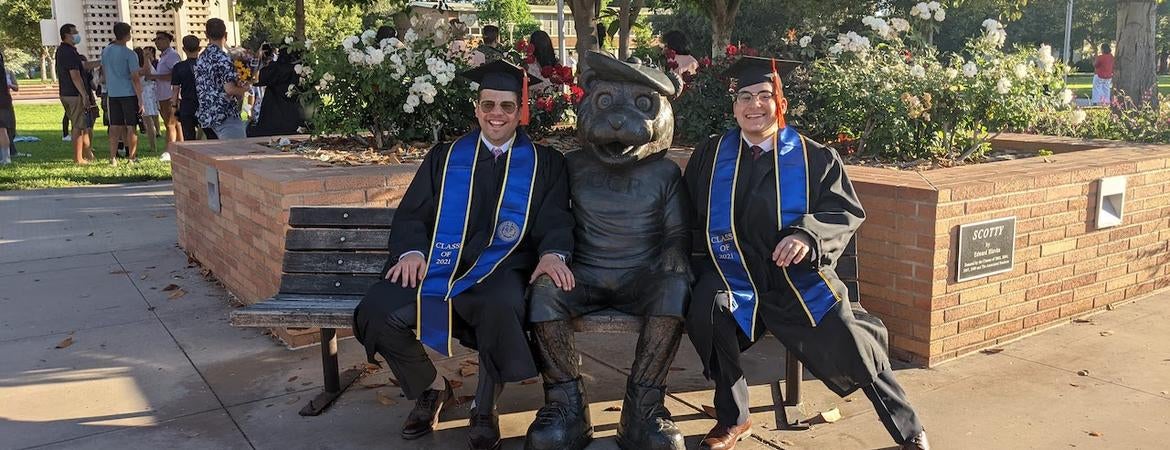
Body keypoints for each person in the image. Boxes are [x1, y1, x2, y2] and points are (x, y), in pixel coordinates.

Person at [683, 56, 930, 450]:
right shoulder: (711, 156)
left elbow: (844, 212)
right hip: (734, 272)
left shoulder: (814, 157)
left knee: (849, 335)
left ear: (780, 103)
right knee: (707, 308)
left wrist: (807, 237)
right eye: (745, 97)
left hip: (794, 277)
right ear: (734, 107)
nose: (754, 105)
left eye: (765, 96)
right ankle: (733, 417)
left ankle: (908, 428)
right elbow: (687, 214)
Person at [352, 60, 573, 450]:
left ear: (521, 111)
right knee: (379, 310)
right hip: (439, 263)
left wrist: (554, 253)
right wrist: (411, 252)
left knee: (500, 304)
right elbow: (413, 212)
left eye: (506, 106)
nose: (496, 115)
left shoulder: (546, 163)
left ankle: (485, 409)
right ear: (477, 109)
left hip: (502, 266)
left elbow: (556, 217)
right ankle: (433, 388)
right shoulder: (446, 156)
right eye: (488, 105)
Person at [195, 18, 250, 139]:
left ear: (206, 35)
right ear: (226, 35)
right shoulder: (224, 59)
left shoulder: (201, 58)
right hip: (224, 116)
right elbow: (230, 89)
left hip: (206, 115)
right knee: (237, 154)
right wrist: (245, 88)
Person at [58, 23, 101, 164]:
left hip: (66, 93)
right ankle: (78, 158)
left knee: (80, 125)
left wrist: (100, 62)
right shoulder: (68, 52)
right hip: (73, 93)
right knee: (78, 126)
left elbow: (83, 66)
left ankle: (86, 154)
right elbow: (75, 75)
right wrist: (84, 94)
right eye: (74, 32)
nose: (77, 34)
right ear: (66, 35)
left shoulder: (66, 51)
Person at [101, 22, 143, 165]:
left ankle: (112, 157)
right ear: (127, 35)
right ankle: (132, 156)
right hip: (128, 93)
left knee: (114, 126)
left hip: (113, 93)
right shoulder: (130, 54)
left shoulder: (106, 51)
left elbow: (104, 70)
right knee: (131, 126)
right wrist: (140, 99)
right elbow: (135, 78)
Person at [246, 45, 305, 137]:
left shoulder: (276, 69)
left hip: (274, 123)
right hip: (299, 121)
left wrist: (260, 57)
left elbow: (254, 78)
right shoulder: (304, 71)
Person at [147, 31, 181, 145]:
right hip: (162, 95)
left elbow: (175, 75)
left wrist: (155, 76)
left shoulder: (172, 55)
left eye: (160, 39)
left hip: (170, 94)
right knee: (170, 123)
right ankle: (178, 146)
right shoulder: (163, 57)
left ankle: (171, 149)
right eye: (155, 40)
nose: (157, 42)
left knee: (172, 123)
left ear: (168, 40)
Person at [171, 35, 204, 141]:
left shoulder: (178, 67)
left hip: (187, 104)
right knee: (210, 134)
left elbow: (175, 89)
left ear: (183, 49)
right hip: (204, 103)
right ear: (199, 49)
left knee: (189, 137)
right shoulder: (204, 65)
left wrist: (174, 106)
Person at [135, 47, 161, 154]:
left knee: (148, 121)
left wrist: (146, 59)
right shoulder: (146, 64)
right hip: (149, 91)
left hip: (145, 92)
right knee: (150, 120)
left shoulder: (143, 66)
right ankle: (153, 145)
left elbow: (145, 72)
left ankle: (153, 146)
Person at [0, 49, 17, 164]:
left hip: (2, 101)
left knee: (2, 129)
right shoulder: (2, 67)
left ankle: (6, 157)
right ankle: (6, 156)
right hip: (4, 100)